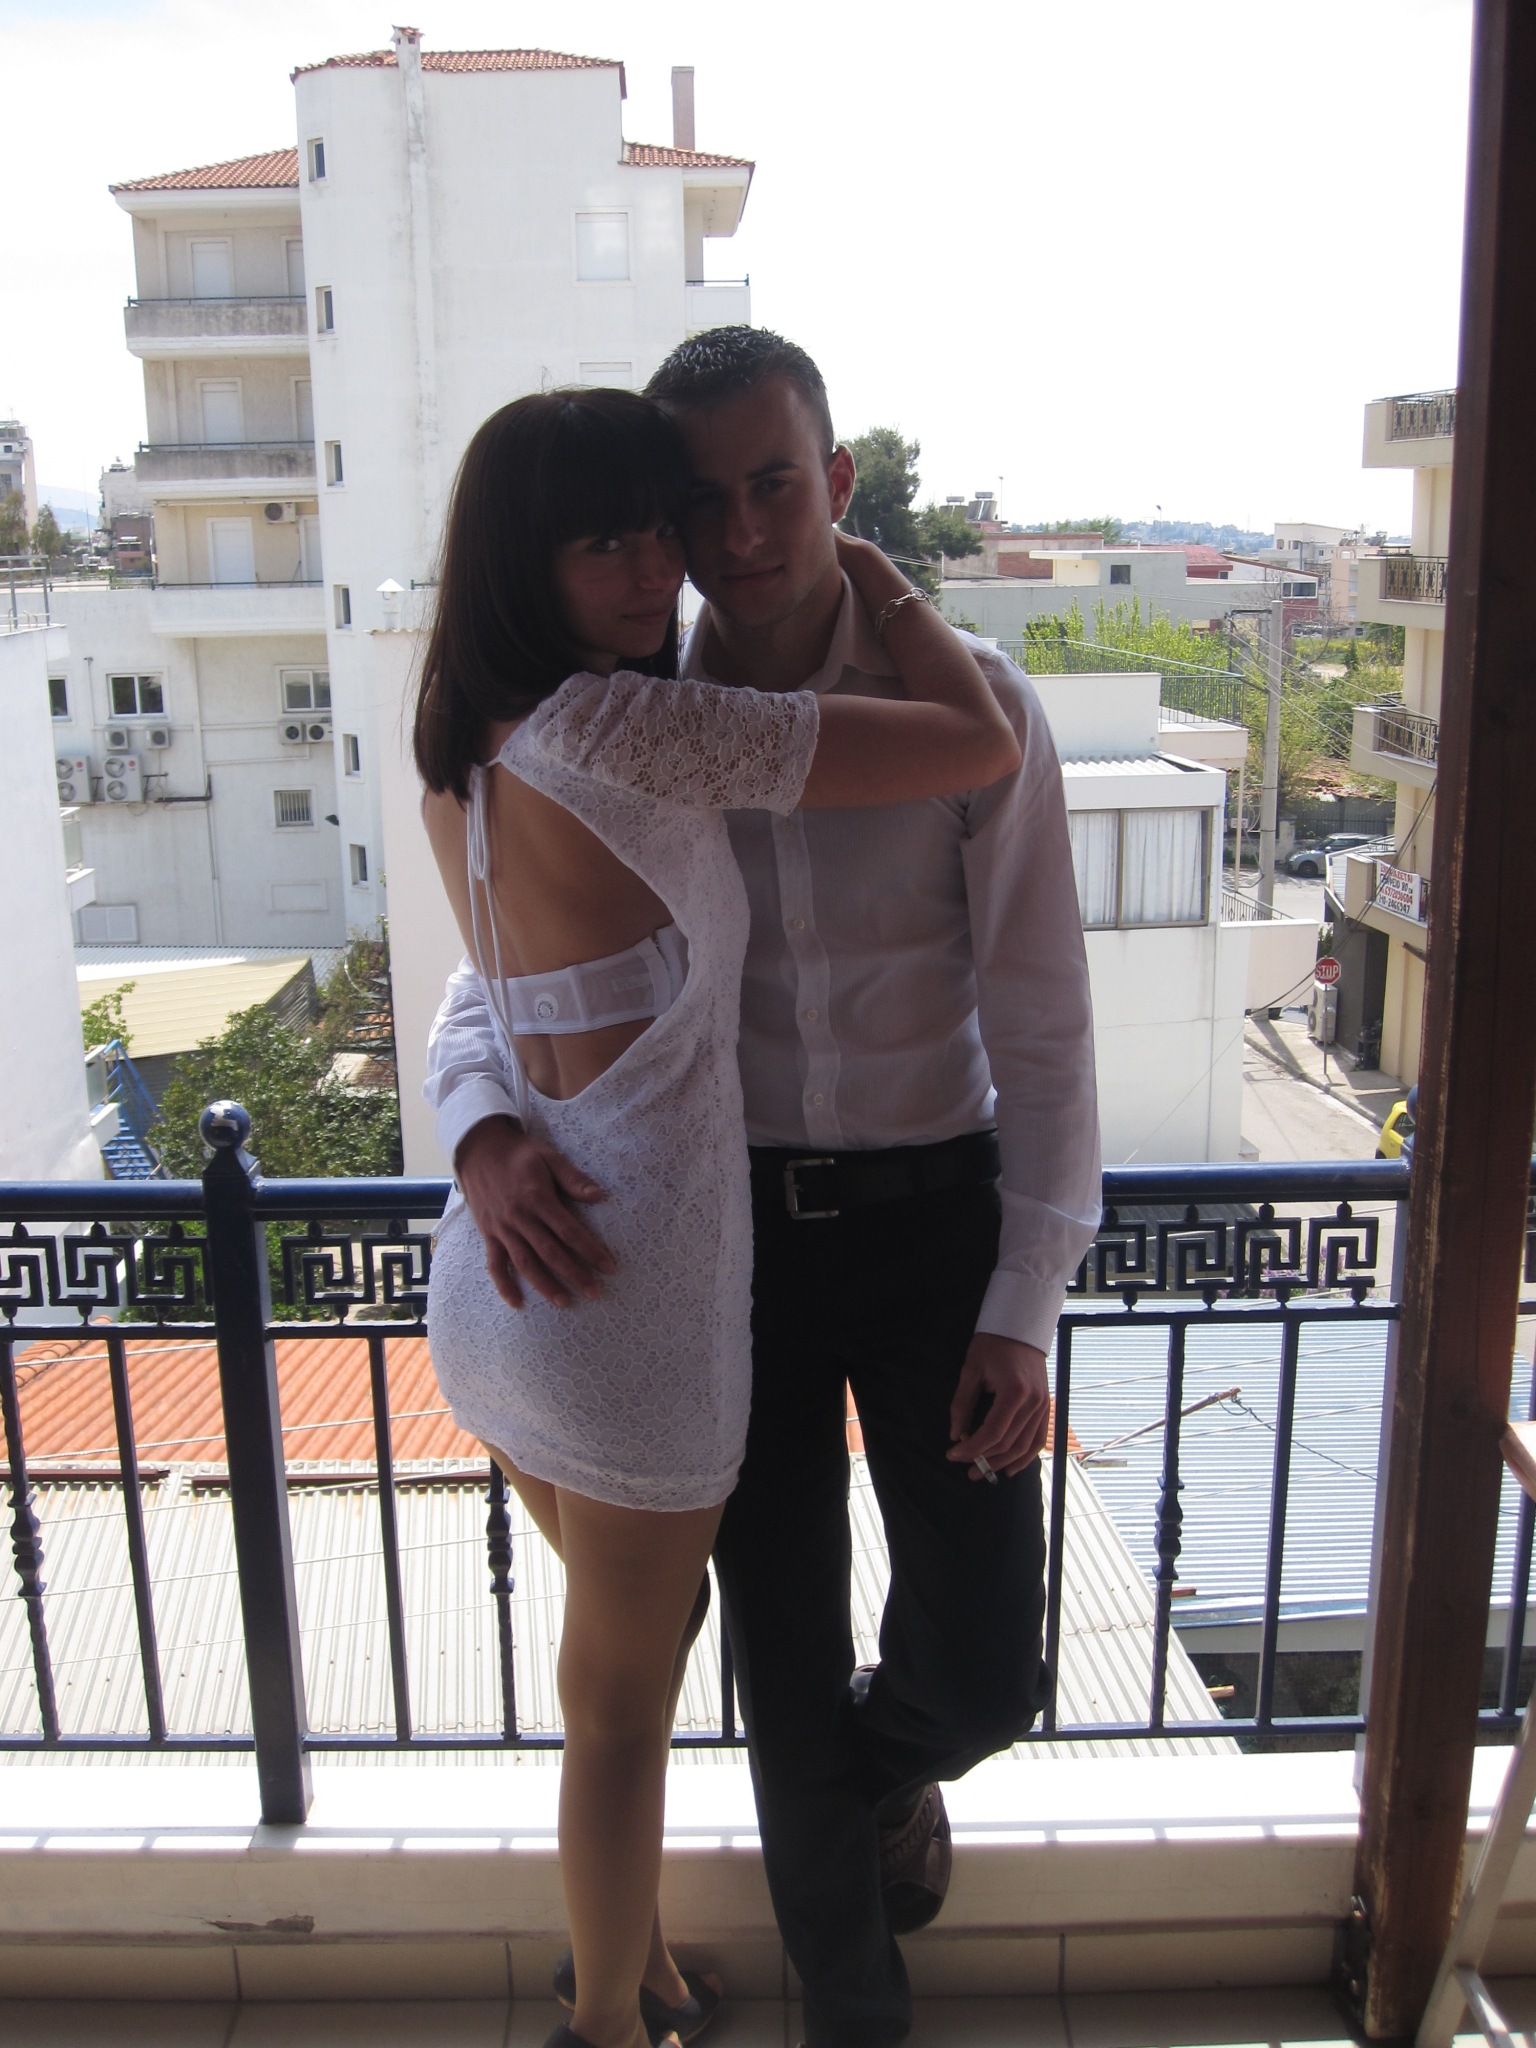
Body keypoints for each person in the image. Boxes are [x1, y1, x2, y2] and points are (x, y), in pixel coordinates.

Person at [426, 335, 1101, 2048]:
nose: (725, 537)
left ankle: (883, 1773)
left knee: (985, 1667)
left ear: (838, 483)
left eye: (772, 486)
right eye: (688, 503)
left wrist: (1026, 1298)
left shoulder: (970, 707)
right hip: (724, 1245)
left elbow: (1044, 1018)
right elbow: (499, 970)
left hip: (935, 1219)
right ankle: (848, 2015)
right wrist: (479, 1126)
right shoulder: (632, 703)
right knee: (774, 1665)